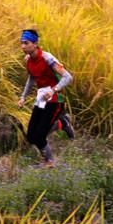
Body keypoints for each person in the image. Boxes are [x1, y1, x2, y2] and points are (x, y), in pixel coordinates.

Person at [18, 29, 74, 167]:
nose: (23, 46)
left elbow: (68, 77)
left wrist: (54, 90)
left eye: (26, 43)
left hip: (55, 99)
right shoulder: (29, 60)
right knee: (31, 136)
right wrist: (23, 97)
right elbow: (31, 79)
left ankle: (49, 161)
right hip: (42, 98)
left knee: (40, 135)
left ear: (35, 44)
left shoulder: (48, 59)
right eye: (21, 43)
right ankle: (62, 123)